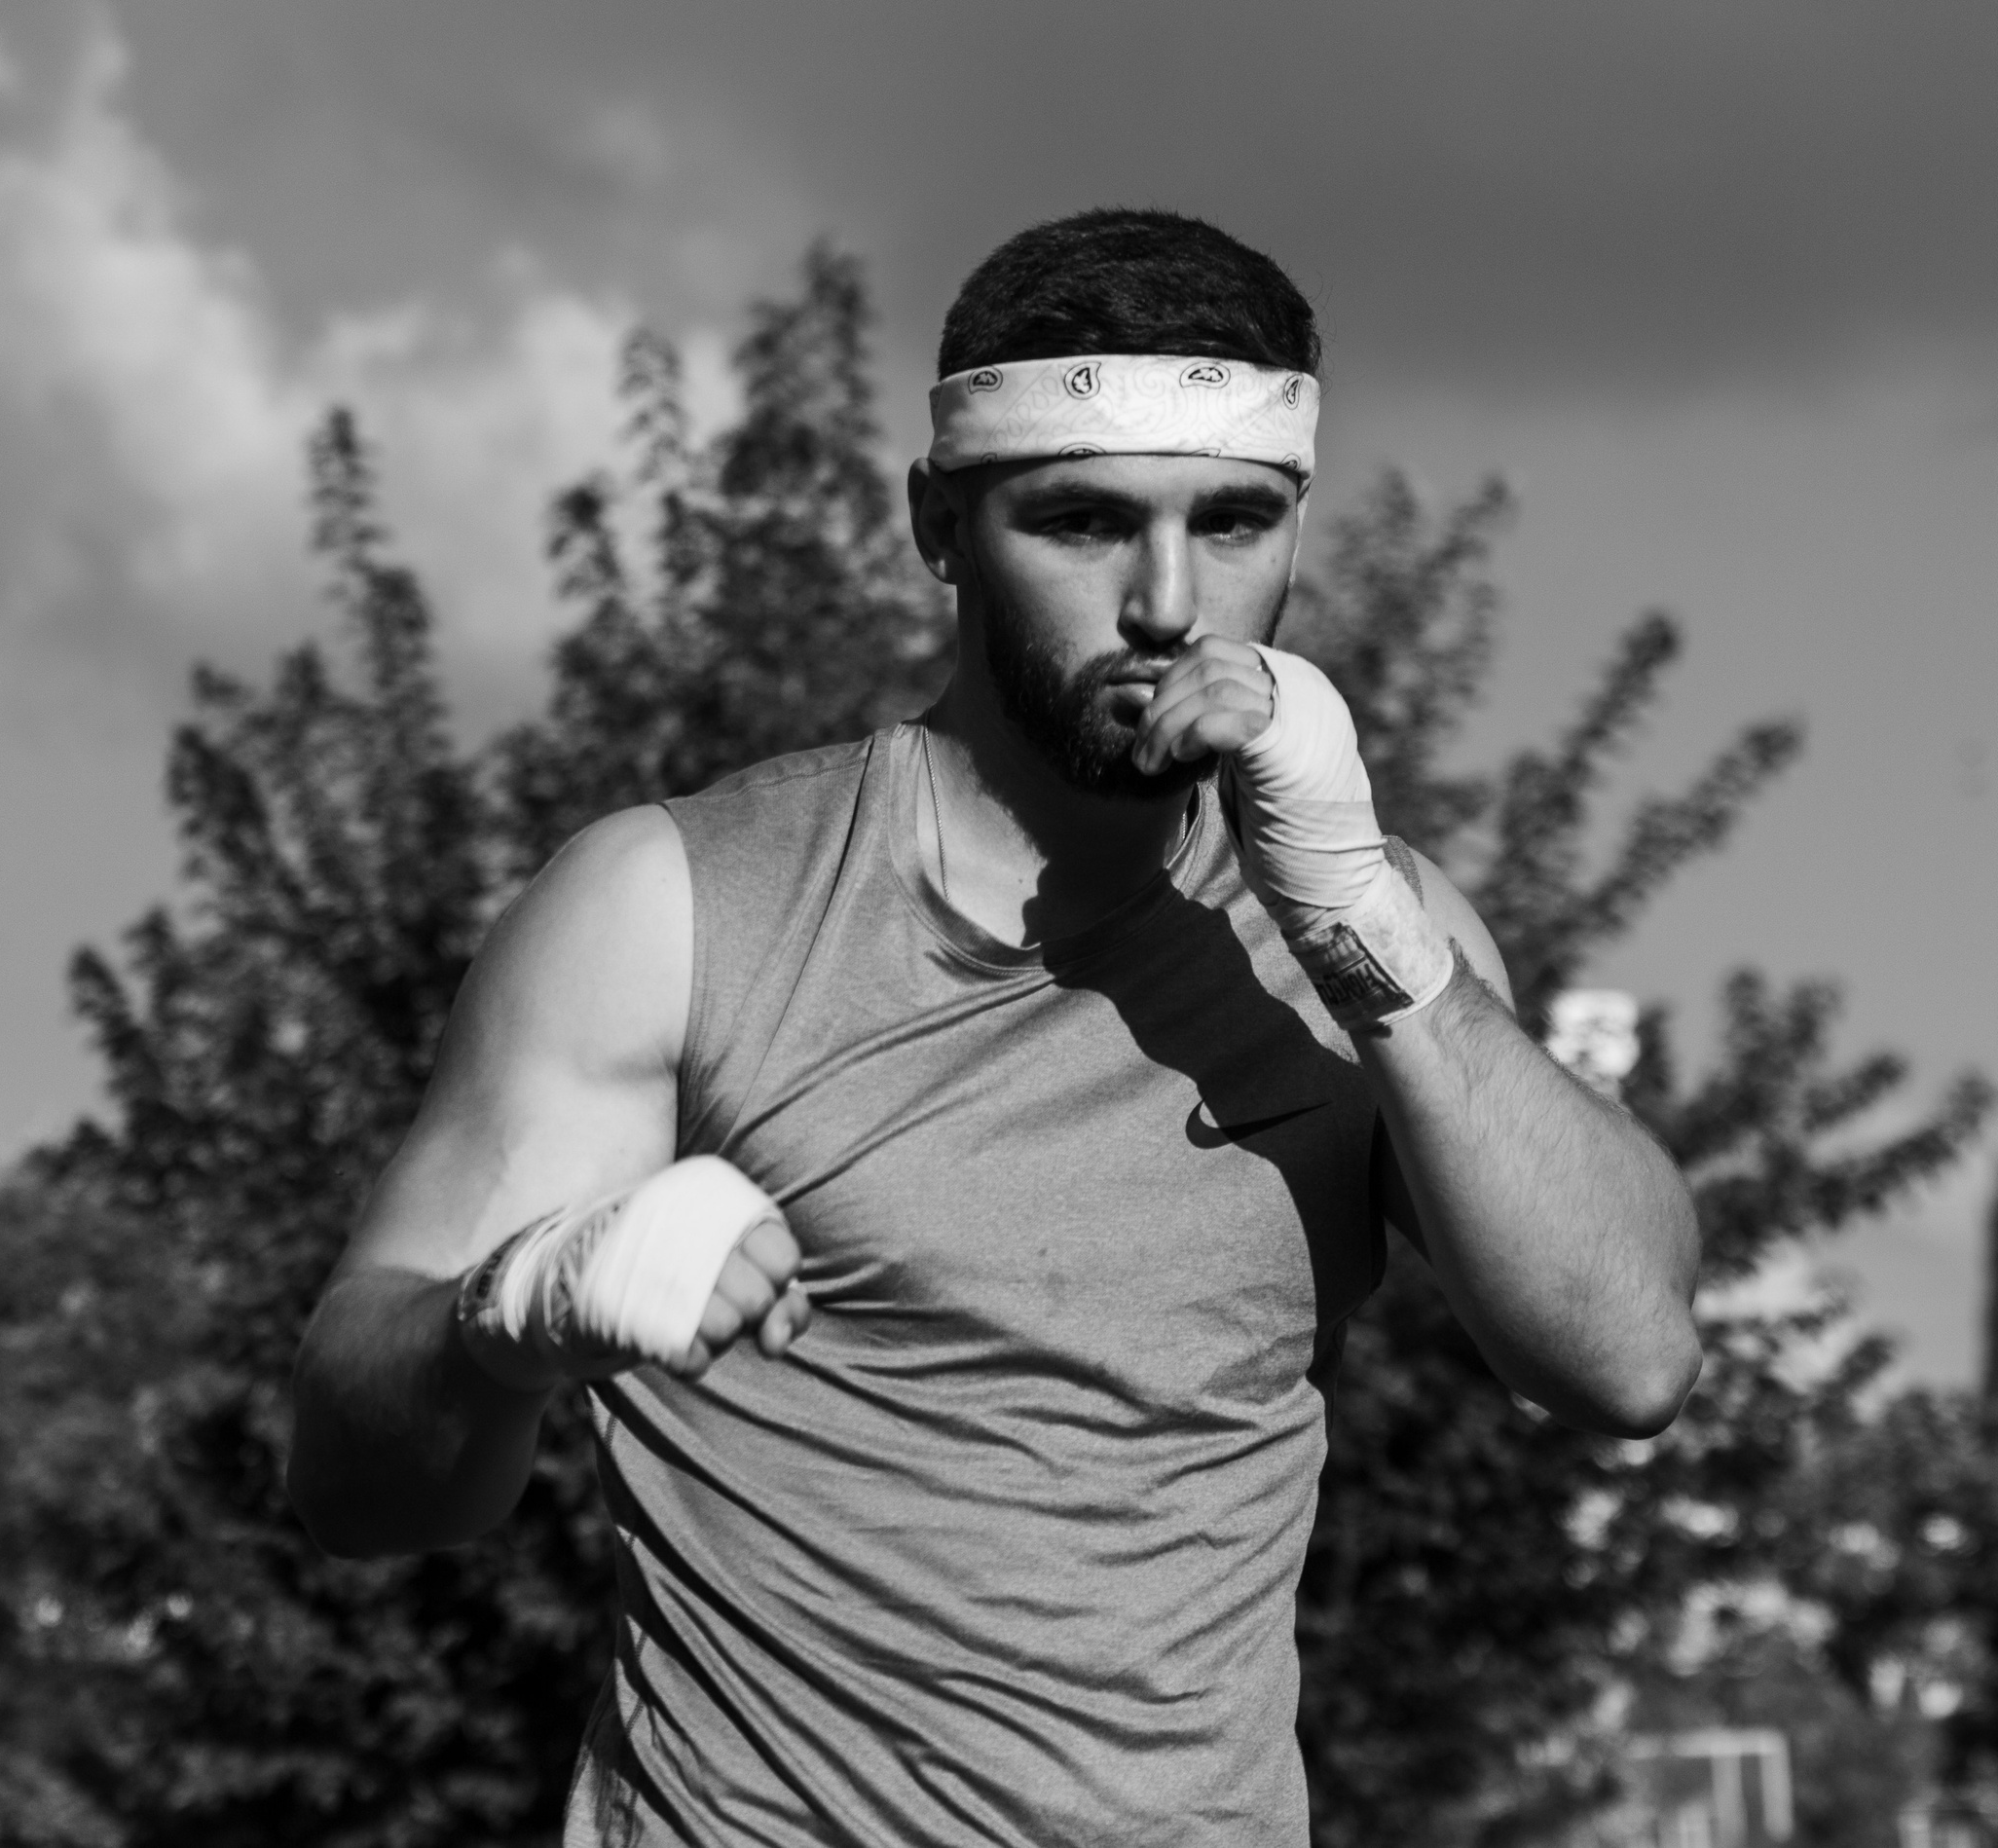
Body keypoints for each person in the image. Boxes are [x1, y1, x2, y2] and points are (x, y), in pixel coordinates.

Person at [286, 207, 1703, 1846]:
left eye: (1233, 521)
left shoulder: (1365, 934)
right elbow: (354, 1485)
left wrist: (1366, 933)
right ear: (939, 527)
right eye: (1084, 520)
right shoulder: (671, 910)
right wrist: (501, 1316)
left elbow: (1631, 1356)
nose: (1170, 602)